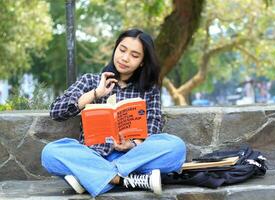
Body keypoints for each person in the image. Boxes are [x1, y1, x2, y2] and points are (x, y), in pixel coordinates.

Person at [41, 28, 186, 197]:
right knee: (50, 153)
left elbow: (153, 129)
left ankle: (91, 177)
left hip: (132, 157)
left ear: (142, 62)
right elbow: (56, 111)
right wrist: (95, 93)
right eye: (122, 50)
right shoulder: (91, 81)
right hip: (92, 155)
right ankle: (124, 180)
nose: (125, 58)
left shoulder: (149, 90)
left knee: (176, 147)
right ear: (115, 49)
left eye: (134, 55)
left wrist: (132, 145)